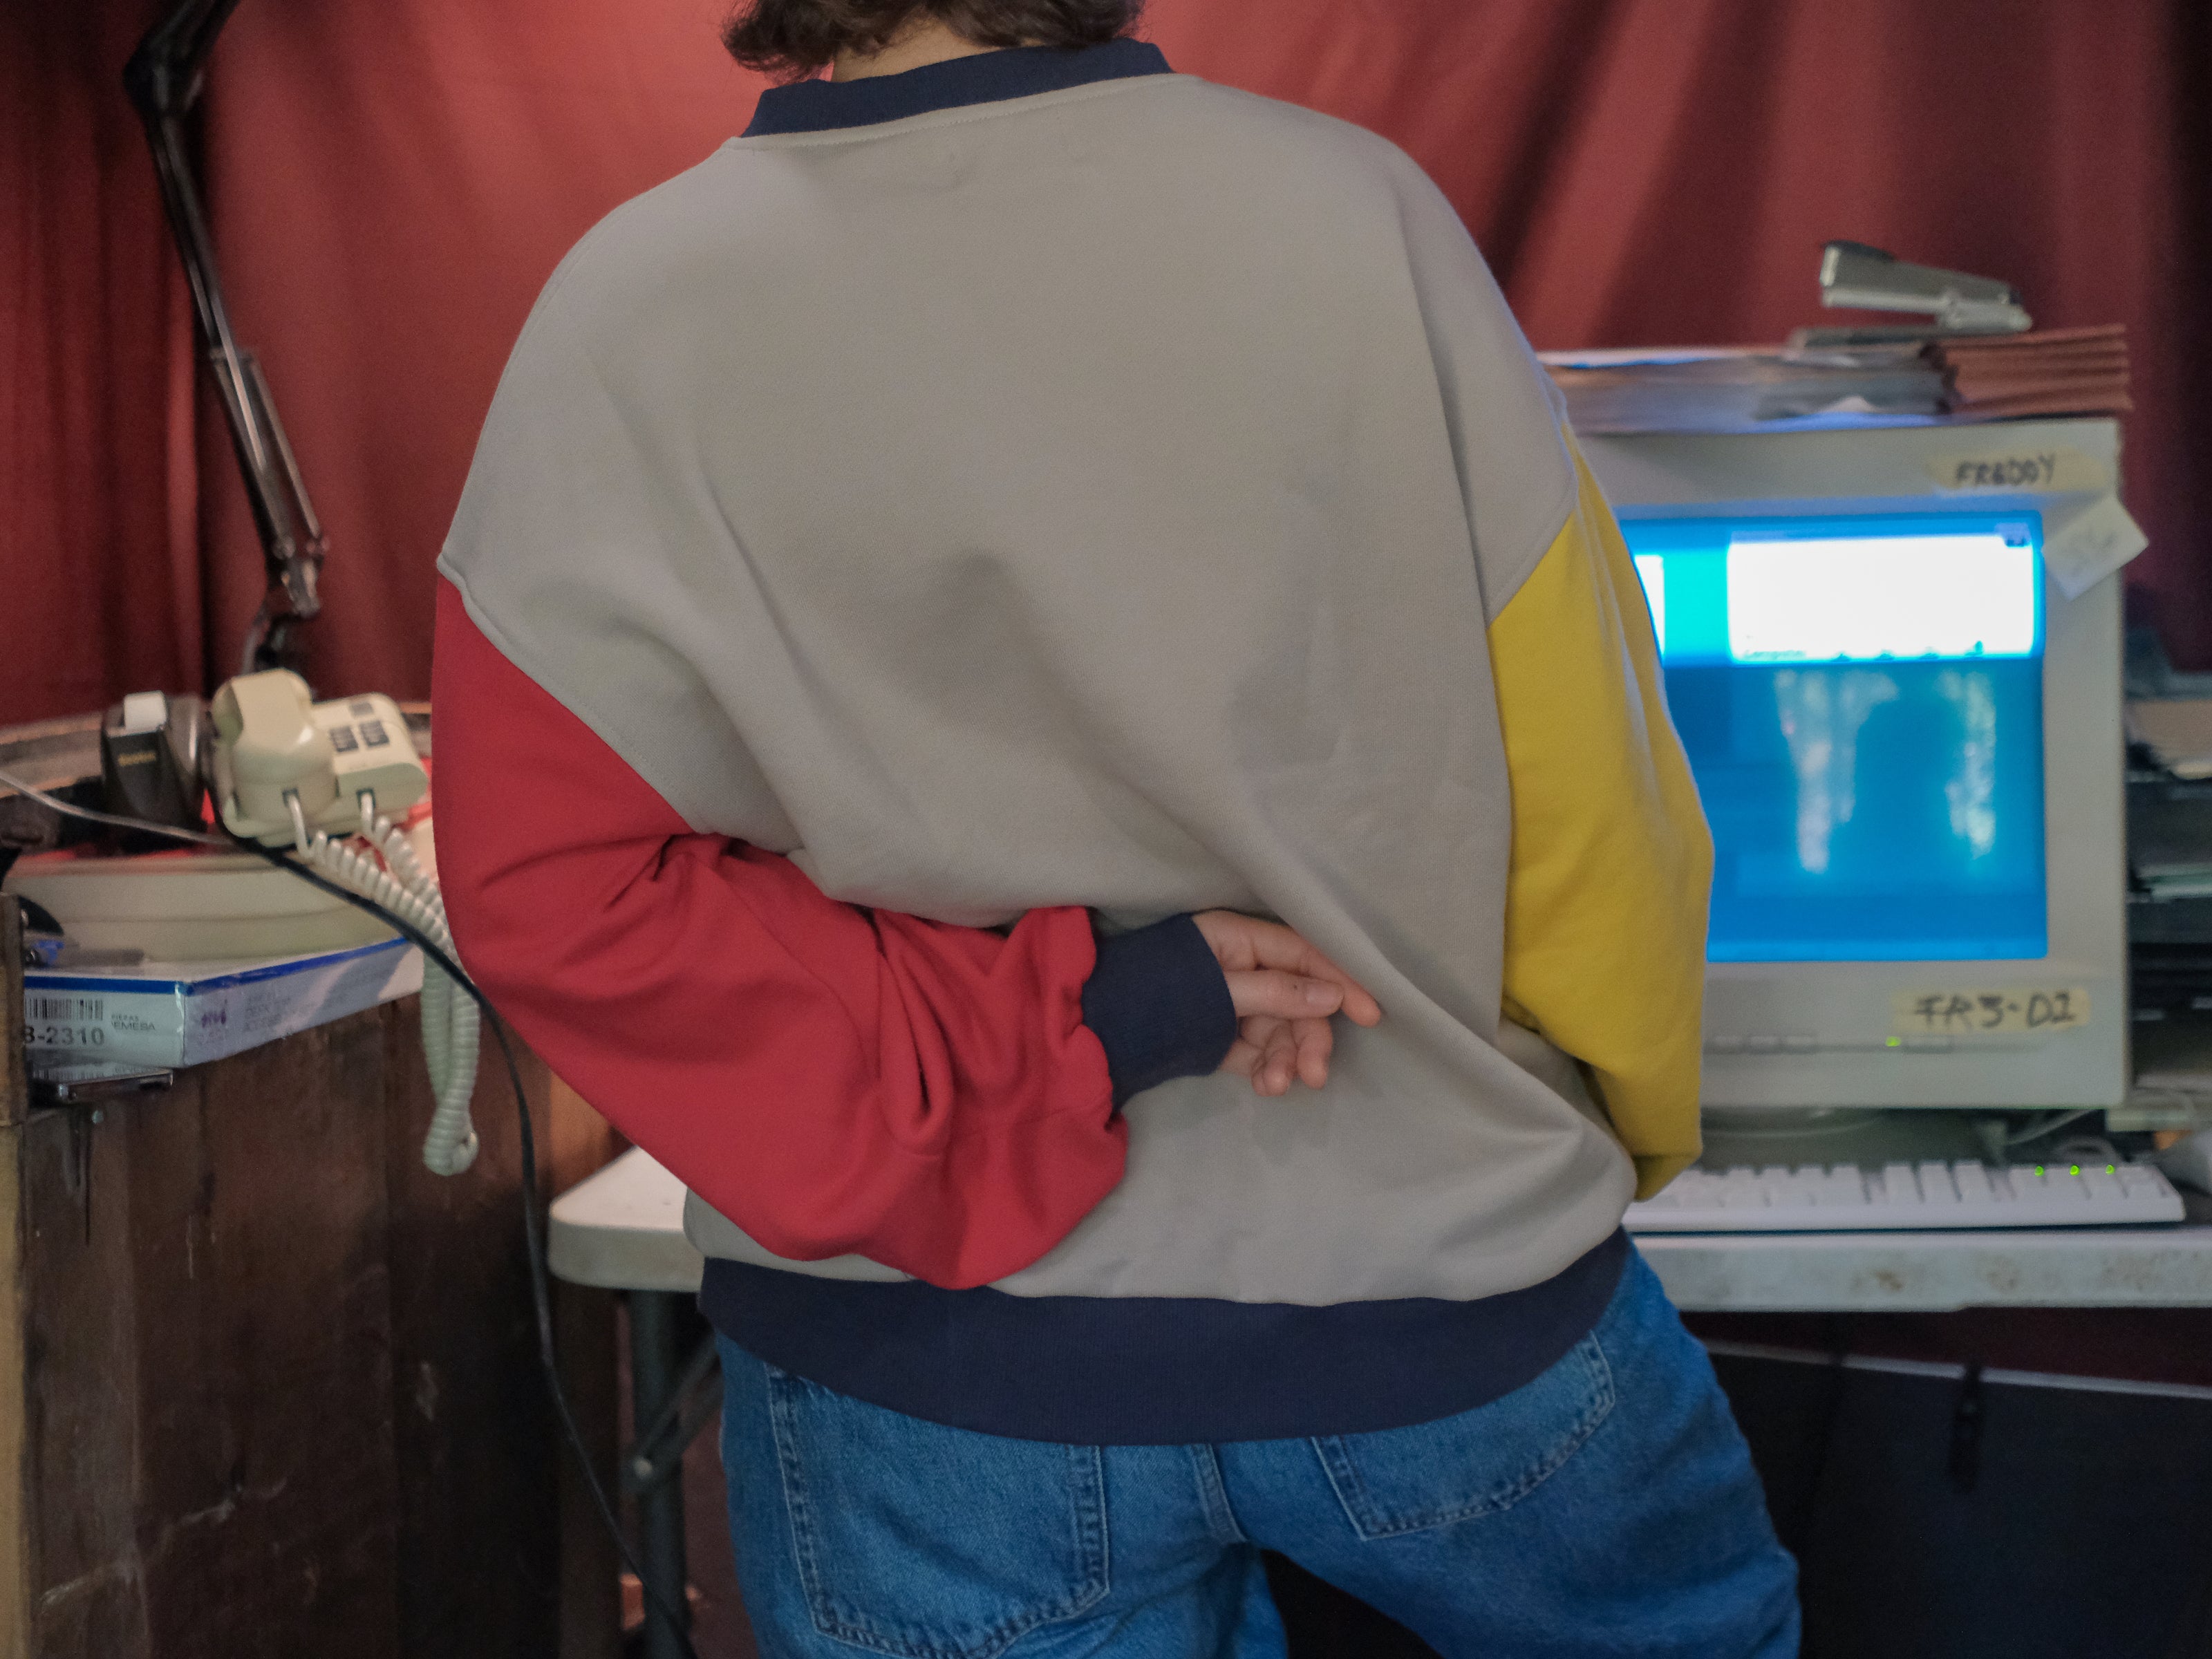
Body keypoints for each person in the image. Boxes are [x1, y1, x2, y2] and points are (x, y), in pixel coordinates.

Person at [431, 1, 1801, 1651]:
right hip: (1446, 1299)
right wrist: (1609, 1134)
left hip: (934, 1372)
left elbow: (554, 897)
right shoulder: (1359, 218)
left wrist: (1074, 1023)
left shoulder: (626, 307)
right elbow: (1595, 798)